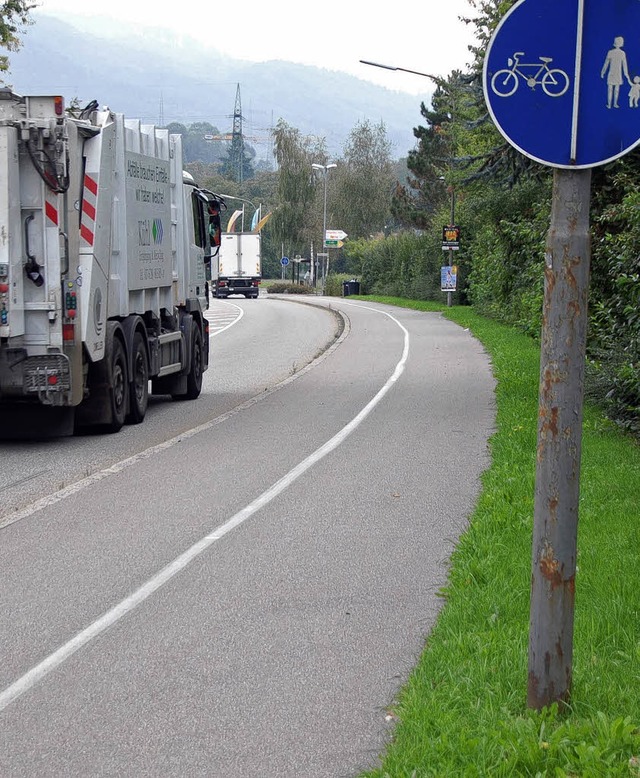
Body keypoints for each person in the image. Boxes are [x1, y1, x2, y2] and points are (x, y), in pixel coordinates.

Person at [601, 36, 630, 109]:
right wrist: (626, 74)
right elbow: (607, 63)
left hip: (614, 74)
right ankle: (613, 104)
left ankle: (611, 104)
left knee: (611, 89)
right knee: (615, 89)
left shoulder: (615, 52)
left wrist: (603, 72)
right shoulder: (621, 53)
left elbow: (606, 64)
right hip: (615, 74)